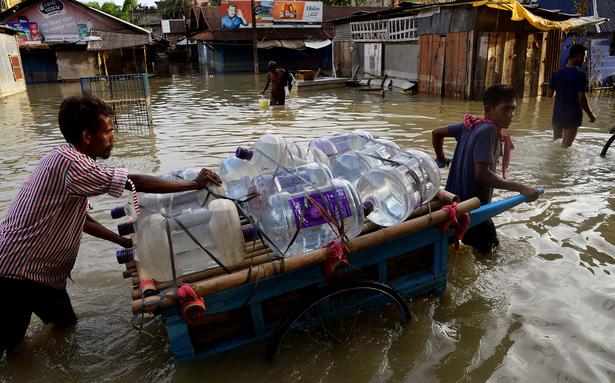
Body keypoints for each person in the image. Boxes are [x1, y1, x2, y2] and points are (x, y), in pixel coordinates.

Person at [0, 93, 222, 358]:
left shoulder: (67, 160)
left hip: (41, 273)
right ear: (86, 136)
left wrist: (123, 242)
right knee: (11, 347)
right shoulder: (72, 164)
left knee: (66, 327)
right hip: (16, 271)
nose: (113, 137)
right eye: (108, 131)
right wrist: (193, 184)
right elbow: (133, 181)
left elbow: (79, 218)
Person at [431, 84, 540, 253]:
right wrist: (522, 187)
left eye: (513, 109)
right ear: (488, 109)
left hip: (453, 207)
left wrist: (441, 157)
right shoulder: (488, 131)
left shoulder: (470, 125)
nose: (511, 115)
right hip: (474, 213)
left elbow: (436, 133)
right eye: (505, 109)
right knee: (490, 257)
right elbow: (482, 175)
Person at [548, 43, 596, 148]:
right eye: (584, 57)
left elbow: (549, 94)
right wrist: (590, 114)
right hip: (572, 115)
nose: (584, 60)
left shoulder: (556, 73)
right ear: (578, 56)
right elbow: (581, 98)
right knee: (565, 147)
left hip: (557, 113)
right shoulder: (580, 75)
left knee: (556, 145)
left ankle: (554, 164)